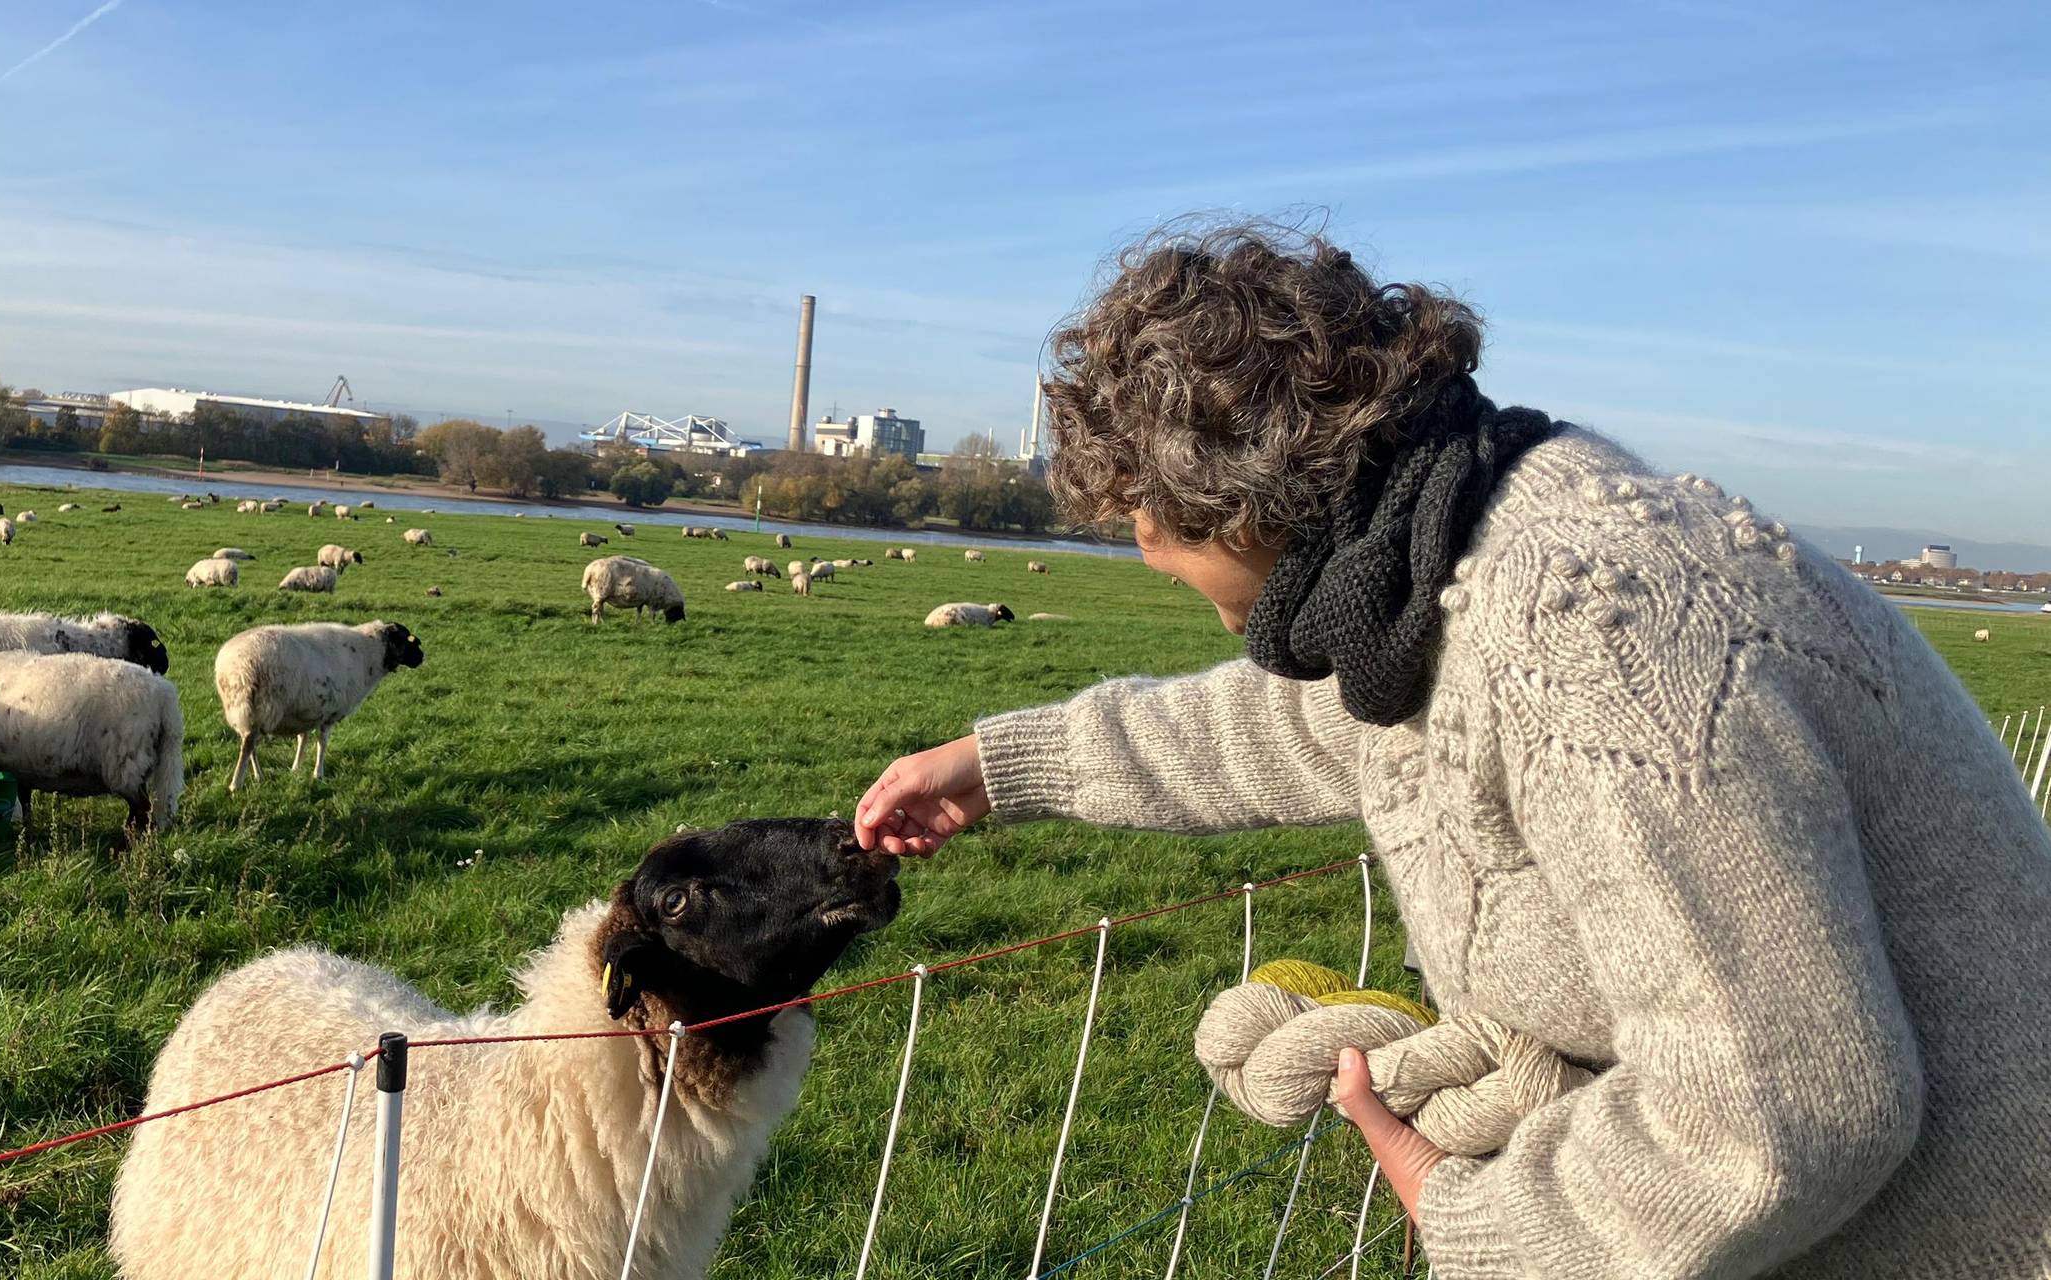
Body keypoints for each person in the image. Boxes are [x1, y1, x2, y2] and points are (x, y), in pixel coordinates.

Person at [852, 220, 2051, 1277]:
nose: (1145, 552)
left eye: (1149, 527)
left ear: (1254, 498)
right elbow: (1308, 721)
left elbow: (1779, 1108)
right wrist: (1003, 763)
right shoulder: (1462, 546)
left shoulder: (1584, 627)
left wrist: (1485, 1221)